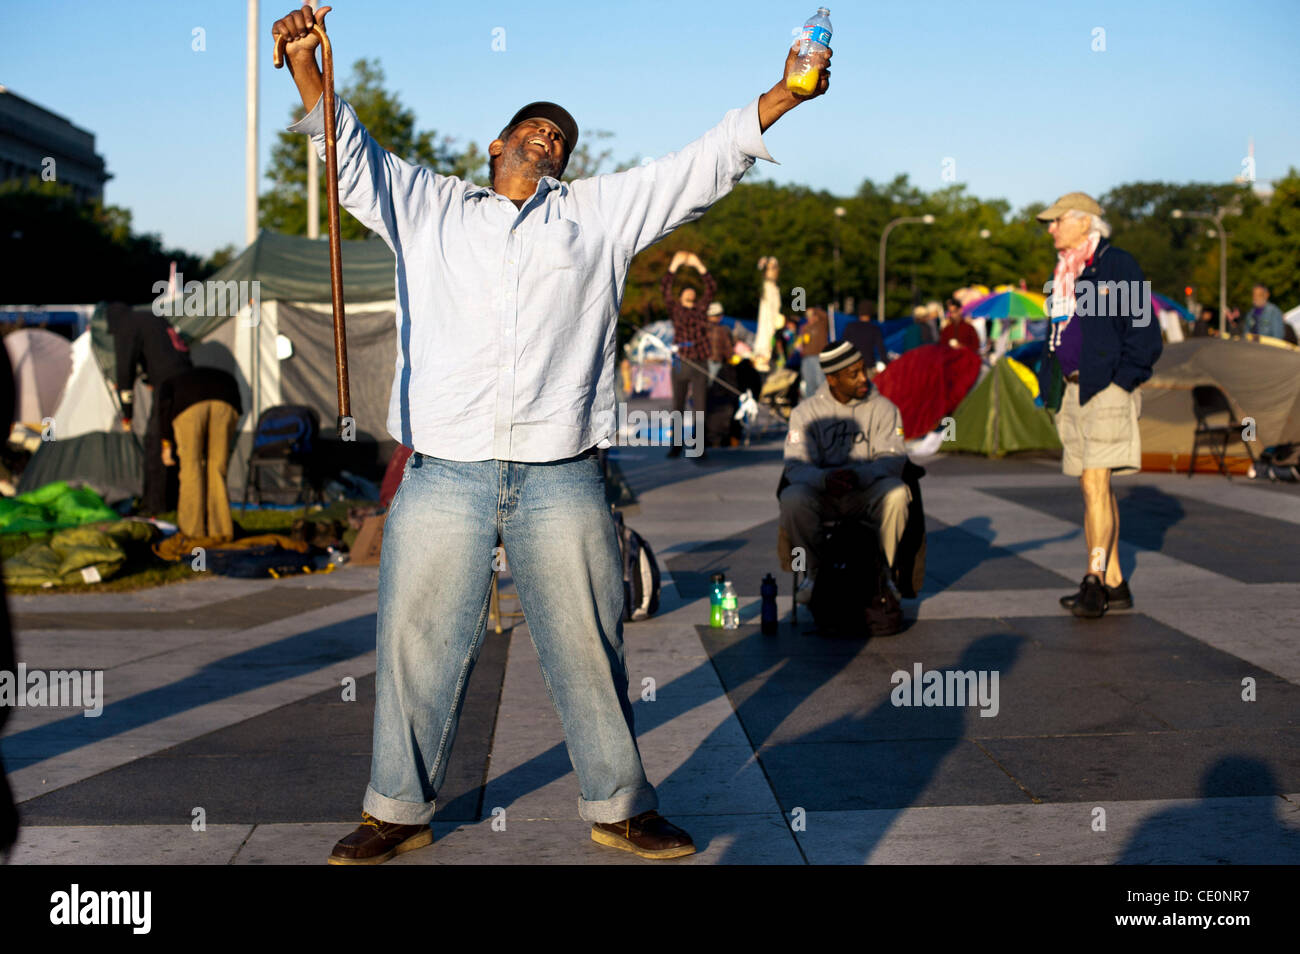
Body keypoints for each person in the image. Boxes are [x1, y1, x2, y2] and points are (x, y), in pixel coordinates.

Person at [273, 3, 831, 864]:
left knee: (589, 642)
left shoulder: (597, 216)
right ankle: (396, 810)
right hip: (445, 468)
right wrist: (309, 64)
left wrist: (786, 95)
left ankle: (620, 806)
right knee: (415, 641)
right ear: (494, 146)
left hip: (560, 469)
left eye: (562, 138)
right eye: (534, 128)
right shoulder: (427, 205)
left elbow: (702, 164)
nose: (550, 138)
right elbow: (346, 156)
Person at [1033, 192, 1162, 619]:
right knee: (1096, 489)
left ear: (1085, 223)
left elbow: (1145, 332)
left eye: (1057, 221)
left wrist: (1122, 380)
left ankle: (1092, 581)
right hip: (1073, 390)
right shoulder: (1064, 273)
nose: (1050, 229)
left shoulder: (1115, 265)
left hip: (1105, 389)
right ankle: (1115, 582)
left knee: (1093, 485)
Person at [778, 341, 910, 605]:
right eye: (854, 374)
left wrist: (860, 476)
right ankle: (814, 574)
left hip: (865, 492)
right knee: (792, 498)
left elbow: (894, 458)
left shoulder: (884, 409)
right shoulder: (806, 413)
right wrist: (824, 479)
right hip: (823, 494)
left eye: (864, 370)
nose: (864, 378)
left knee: (897, 493)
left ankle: (883, 573)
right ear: (832, 379)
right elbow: (796, 466)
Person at [107, 302, 193, 513]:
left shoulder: (126, 326)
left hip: (169, 386)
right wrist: (149, 376)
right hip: (189, 379)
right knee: (174, 441)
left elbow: (124, 372)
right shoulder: (151, 318)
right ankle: (176, 498)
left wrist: (127, 414)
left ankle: (156, 505)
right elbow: (163, 351)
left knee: (155, 443)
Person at [156, 366, 243, 542]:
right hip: (227, 401)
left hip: (189, 407)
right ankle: (221, 532)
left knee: (191, 469)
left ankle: (193, 535)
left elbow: (164, 411)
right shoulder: (217, 374)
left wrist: (166, 444)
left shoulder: (168, 384)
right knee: (217, 468)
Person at [663, 250, 716, 458]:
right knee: (678, 404)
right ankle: (676, 445)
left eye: (692, 290)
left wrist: (699, 266)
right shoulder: (675, 309)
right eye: (686, 290)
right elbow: (665, 289)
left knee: (700, 406)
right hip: (680, 361)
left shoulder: (701, 309)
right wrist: (674, 266)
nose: (690, 292)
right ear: (681, 296)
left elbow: (711, 289)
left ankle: (699, 446)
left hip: (700, 361)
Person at [841, 301, 889, 375]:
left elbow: (843, 346)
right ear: (871, 313)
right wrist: (887, 364)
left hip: (852, 367)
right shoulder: (874, 329)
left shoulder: (850, 327)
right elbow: (881, 350)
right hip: (868, 367)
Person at [754, 255, 783, 370]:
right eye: (770, 268)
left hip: (774, 330)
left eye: (774, 268)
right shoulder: (764, 287)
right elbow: (757, 282)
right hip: (765, 331)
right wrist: (761, 267)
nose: (773, 271)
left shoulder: (775, 288)